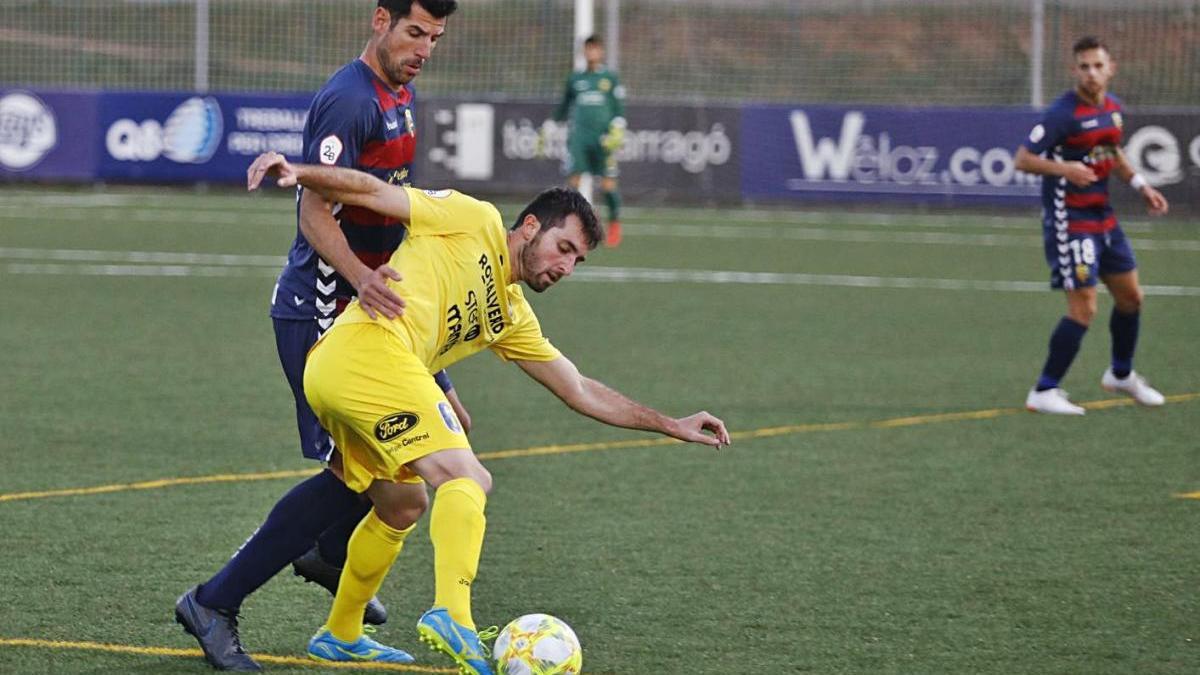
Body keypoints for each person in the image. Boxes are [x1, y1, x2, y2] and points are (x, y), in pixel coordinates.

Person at [245, 150, 731, 672]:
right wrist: (302, 173)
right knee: (468, 476)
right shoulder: (469, 218)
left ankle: (341, 631)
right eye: (563, 248)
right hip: (364, 353)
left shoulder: (513, 315)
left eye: (578, 260)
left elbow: (580, 388)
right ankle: (452, 614)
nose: (566, 266)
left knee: (403, 503)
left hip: (349, 375)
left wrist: (669, 423)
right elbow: (372, 192)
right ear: (528, 228)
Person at [175, 1, 461, 671]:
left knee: (394, 485)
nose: (424, 48)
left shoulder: (402, 94)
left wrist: (436, 371)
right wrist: (362, 279)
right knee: (361, 478)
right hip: (321, 314)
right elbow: (313, 212)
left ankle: (329, 553)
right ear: (380, 19)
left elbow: (387, 209)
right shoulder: (348, 100)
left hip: (364, 317)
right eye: (415, 32)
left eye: (436, 38)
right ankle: (213, 601)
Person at [1014, 36, 1169, 415]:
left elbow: (1111, 151)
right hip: (1072, 221)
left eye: (1098, 66)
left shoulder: (1113, 108)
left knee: (1131, 298)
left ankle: (1121, 374)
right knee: (1084, 309)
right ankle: (1044, 390)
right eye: (1084, 66)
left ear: (1110, 68)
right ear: (1075, 70)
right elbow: (1023, 159)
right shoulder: (1061, 114)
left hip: (1104, 218)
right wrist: (1063, 168)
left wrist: (1141, 185)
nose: (1092, 73)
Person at [550, 34, 626, 247]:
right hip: (579, 138)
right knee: (572, 181)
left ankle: (614, 225)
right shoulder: (576, 79)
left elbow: (619, 108)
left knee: (608, 184)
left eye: (594, 48)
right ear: (583, 51)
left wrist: (618, 127)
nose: (591, 52)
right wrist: (550, 125)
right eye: (587, 49)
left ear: (601, 51)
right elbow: (564, 107)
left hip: (603, 139)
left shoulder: (609, 78)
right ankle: (571, 224)